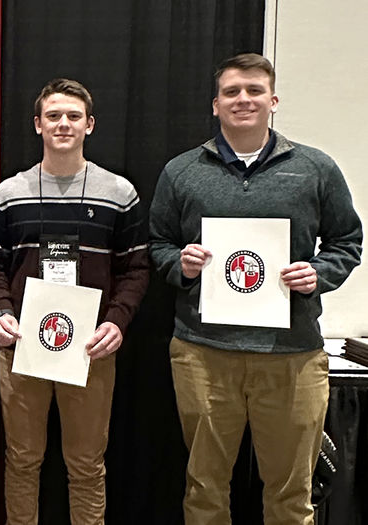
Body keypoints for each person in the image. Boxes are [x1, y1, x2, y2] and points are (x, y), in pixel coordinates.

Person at [149, 53, 362, 525]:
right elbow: (158, 244)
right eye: (231, 92)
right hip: (203, 353)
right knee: (204, 489)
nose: (242, 99)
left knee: (291, 495)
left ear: (273, 100)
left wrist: (319, 273)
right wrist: (179, 265)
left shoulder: (316, 168)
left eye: (253, 90)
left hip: (292, 356)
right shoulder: (181, 172)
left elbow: (348, 241)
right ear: (215, 104)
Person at [0, 78, 150, 525]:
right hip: (22, 346)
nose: (63, 124)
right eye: (54, 116)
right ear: (37, 124)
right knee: (21, 460)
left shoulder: (119, 193)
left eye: (73, 116)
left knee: (85, 465)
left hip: (90, 349)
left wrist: (117, 321)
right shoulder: (9, 194)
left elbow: (137, 268)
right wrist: (2, 311)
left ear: (90, 125)